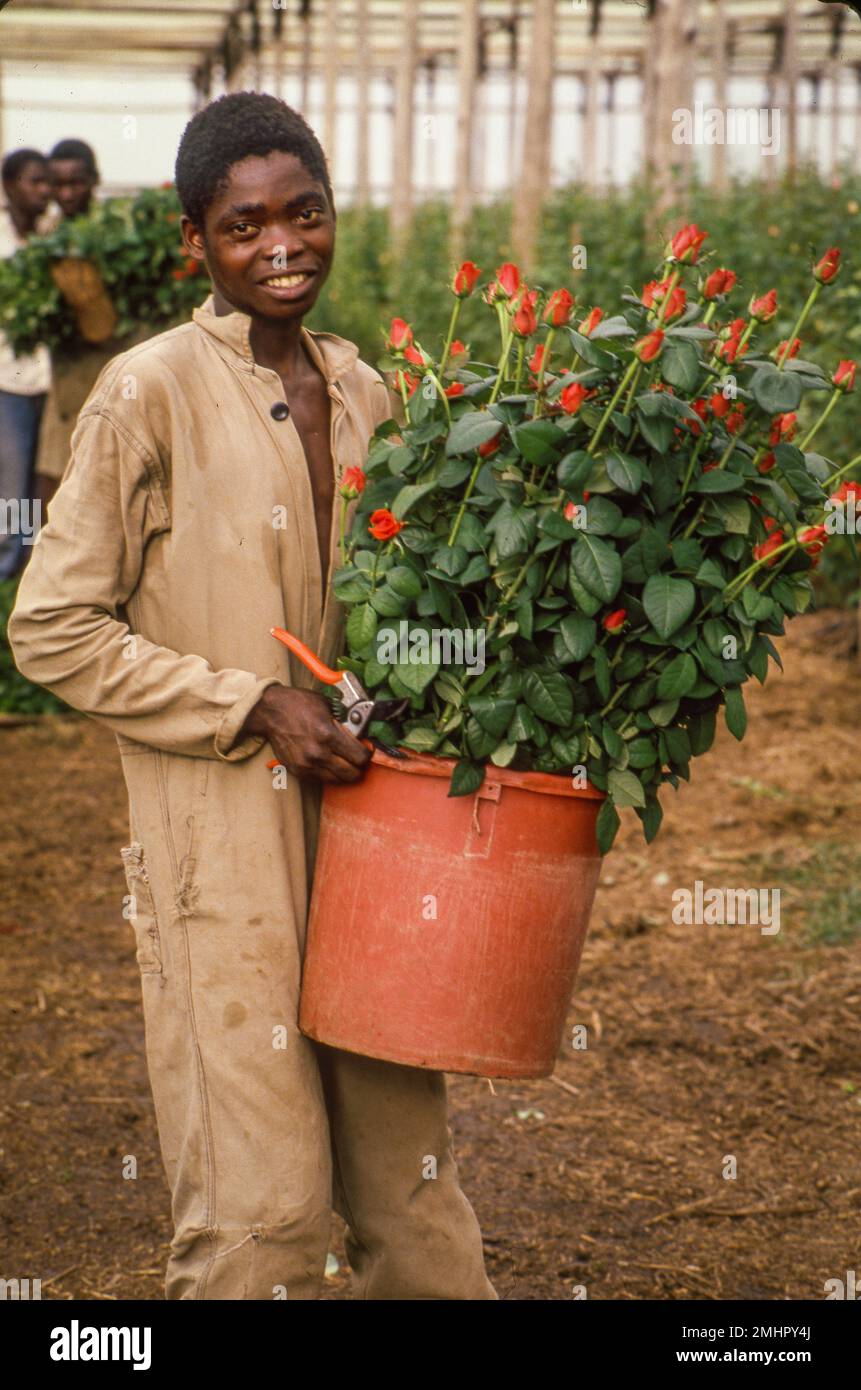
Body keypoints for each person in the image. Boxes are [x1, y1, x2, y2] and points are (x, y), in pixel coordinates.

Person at [9, 92, 496, 1302]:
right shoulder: (148, 391)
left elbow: (411, 603)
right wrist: (252, 705)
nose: (283, 244)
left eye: (305, 214)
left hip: (375, 835)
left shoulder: (370, 390)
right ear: (197, 244)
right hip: (218, 851)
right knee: (260, 1219)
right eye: (245, 224)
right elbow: (53, 627)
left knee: (417, 1206)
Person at [35, 139, 118, 510]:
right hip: (64, 375)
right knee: (51, 471)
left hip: (107, 369)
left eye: (76, 183)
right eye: (58, 185)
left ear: (95, 180)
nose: (66, 193)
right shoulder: (44, 238)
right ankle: (32, 554)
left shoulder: (114, 235)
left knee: (103, 470)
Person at [0, 149, 52, 580]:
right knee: (12, 494)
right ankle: (5, 572)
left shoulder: (54, 234)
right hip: (8, 386)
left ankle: (23, 579)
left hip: (48, 385)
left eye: (47, 182)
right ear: (9, 185)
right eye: (35, 181)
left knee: (37, 492)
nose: (45, 191)